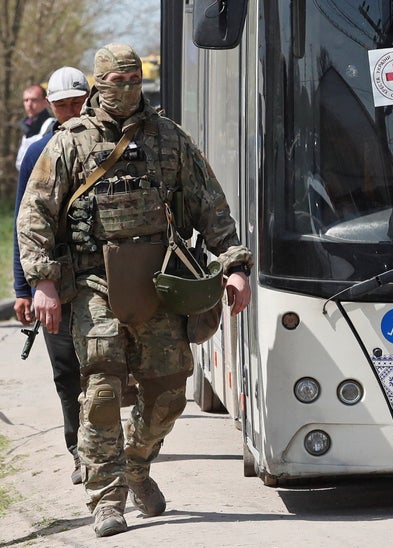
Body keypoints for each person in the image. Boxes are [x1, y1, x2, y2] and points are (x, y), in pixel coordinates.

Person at [17, 43, 253, 538]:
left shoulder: (170, 139)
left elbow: (211, 203)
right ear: (97, 86)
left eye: (132, 82)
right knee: (102, 389)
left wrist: (234, 264)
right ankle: (106, 498)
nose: (125, 91)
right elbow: (34, 214)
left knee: (170, 391)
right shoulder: (69, 143)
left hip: (159, 284)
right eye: (114, 83)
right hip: (93, 285)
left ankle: (137, 464)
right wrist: (42, 282)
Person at [13, 67, 90, 486]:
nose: (72, 111)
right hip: (54, 283)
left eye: (78, 102)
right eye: (63, 105)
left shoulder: (110, 146)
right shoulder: (38, 152)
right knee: (66, 371)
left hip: (103, 282)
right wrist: (23, 287)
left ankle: (113, 453)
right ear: (51, 107)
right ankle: (79, 450)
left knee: (107, 370)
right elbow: (22, 227)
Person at [16, 84, 54, 170]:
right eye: (26, 100)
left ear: (45, 101)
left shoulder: (51, 126)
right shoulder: (25, 126)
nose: (29, 104)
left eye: (34, 100)